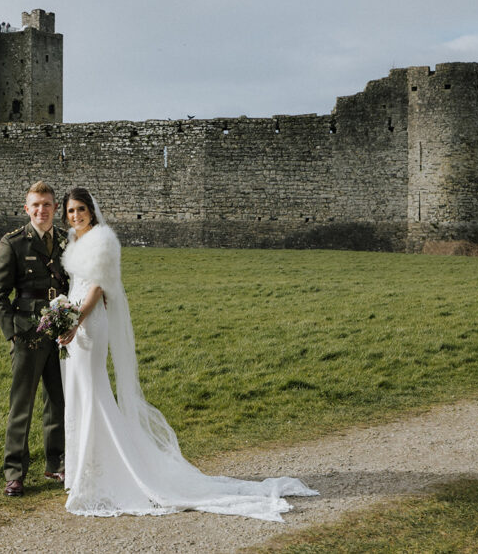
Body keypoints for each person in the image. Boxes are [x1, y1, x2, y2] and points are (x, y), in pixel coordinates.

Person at [57, 187, 318, 520]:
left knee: (94, 391)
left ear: (91, 211)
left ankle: (107, 471)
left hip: (90, 322)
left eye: (80, 209)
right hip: (74, 318)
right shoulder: (74, 240)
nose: (76, 216)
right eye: (71, 211)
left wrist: (77, 319)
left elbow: (96, 286)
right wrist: (62, 313)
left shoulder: (102, 239)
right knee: (78, 391)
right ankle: (84, 472)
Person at [0, 181, 70, 497]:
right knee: (21, 404)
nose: (41, 210)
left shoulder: (65, 241)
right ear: (27, 209)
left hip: (60, 331)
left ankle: (57, 463)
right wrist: (12, 333)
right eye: (35, 205)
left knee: (59, 401)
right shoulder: (13, 243)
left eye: (47, 204)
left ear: (55, 208)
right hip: (27, 332)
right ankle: (14, 472)